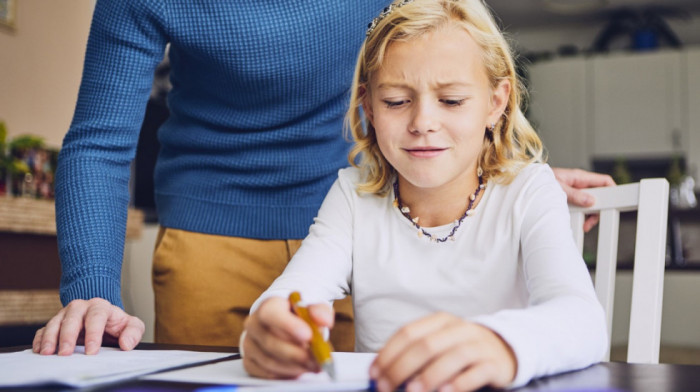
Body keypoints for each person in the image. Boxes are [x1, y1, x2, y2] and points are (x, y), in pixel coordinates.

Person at [33, 1, 613, 358]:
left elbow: (449, 59)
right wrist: (89, 288)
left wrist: (501, 173)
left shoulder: (382, 202)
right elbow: (100, 141)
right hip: (213, 232)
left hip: (359, 217)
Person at [240, 1, 608, 391]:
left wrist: (501, 345)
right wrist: (266, 330)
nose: (422, 123)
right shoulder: (353, 195)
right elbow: (288, 297)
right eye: (396, 102)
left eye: (451, 100)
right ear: (368, 106)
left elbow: (582, 319)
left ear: (495, 103)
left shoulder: (530, 190)